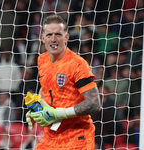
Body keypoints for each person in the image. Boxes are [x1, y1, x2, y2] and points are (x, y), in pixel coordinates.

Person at [25, 15, 101, 150]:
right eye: (49, 35)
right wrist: (37, 109)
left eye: (58, 34)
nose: (53, 39)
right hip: (51, 136)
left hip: (77, 138)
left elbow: (94, 104)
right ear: (42, 38)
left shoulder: (77, 65)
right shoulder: (42, 60)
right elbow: (46, 89)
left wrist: (57, 114)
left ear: (66, 38)